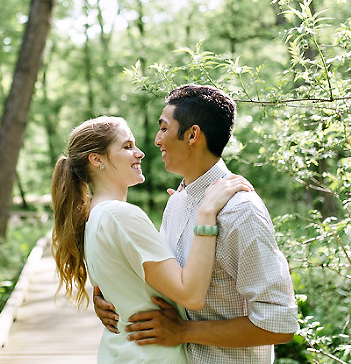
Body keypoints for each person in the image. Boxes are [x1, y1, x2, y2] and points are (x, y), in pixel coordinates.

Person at [93, 85, 299, 363]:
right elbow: (164, 283)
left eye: (164, 128)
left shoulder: (241, 211)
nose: (156, 140)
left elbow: (280, 324)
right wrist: (110, 298)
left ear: (192, 135)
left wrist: (184, 331)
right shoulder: (176, 203)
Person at [52, 116, 254, 363]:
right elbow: (190, 295)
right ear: (96, 159)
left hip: (122, 353)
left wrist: (184, 209)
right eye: (127, 146)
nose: (140, 153)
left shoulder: (94, 216)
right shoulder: (120, 215)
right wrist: (206, 212)